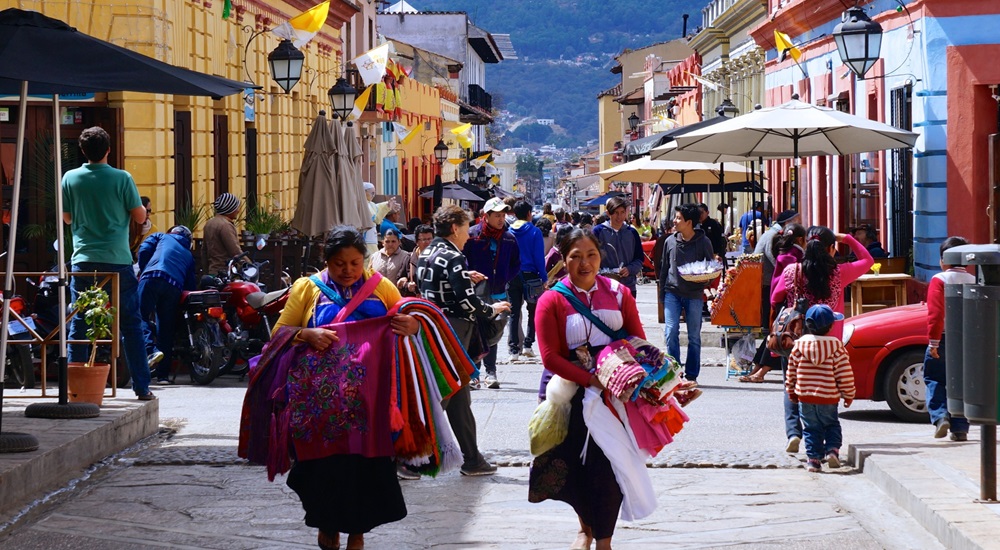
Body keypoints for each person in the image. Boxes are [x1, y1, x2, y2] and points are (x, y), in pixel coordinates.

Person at [273, 225, 419, 550]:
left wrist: (412, 325)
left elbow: (408, 321)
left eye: (355, 263)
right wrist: (305, 334)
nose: (348, 271)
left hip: (370, 406)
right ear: (327, 261)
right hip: (320, 410)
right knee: (323, 471)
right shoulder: (306, 289)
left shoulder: (382, 288)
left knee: (365, 472)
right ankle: (327, 527)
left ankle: (357, 534)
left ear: (364, 261)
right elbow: (279, 333)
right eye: (340, 264)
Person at [529, 228, 647, 550]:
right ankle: (585, 528)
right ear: (563, 260)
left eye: (591, 255)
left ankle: (605, 539)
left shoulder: (620, 293)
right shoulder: (551, 300)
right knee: (575, 467)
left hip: (613, 395)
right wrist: (592, 379)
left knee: (609, 466)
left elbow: (638, 341)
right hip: (569, 393)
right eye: (575, 257)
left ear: (601, 256)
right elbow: (551, 356)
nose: (585, 263)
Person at [417, 204, 510, 475]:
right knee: (443, 395)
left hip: (433, 330)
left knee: (458, 396)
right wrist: (493, 309)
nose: (469, 235)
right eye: (467, 228)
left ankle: (472, 459)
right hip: (454, 333)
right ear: (455, 228)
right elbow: (467, 302)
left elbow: (434, 287)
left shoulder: (428, 252)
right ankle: (409, 458)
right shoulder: (454, 256)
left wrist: (464, 277)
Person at [61, 126, 153, 400]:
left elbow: (66, 218)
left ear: (82, 150)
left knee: (79, 323)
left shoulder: (70, 178)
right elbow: (139, 217)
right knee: (131, 325)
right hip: (117, 260)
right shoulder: (122, 178)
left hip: (84, 260)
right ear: (109, 149)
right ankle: (142, 387)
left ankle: (74, 391)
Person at [771, 226, 872, 453]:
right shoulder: (839, 273)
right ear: (831, 249)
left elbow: (775, 297)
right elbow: (867, 259)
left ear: (806, 245)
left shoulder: (791, 271)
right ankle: (830, 444)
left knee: (792, 384)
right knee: (829, 388)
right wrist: (846, 237)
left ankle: (794, 433)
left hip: (795, 339)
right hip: (830, 343)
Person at [785, 304, 855, 472]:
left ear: (808, 325)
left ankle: (813, 461)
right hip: (828, 397)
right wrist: (848, 394)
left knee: (811, 429)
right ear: (831, 326)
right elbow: (844, 373)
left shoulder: (799, 346)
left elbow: (791, 371)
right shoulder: (836, 347)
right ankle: (832, 450)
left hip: (805, 397)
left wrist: (791, 391)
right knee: (831, 424)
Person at [464, 197, 520, 389]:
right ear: (486, 216)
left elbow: (515, 264)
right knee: (476, 331)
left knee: (494, 331)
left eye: (503, 215)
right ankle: (475, 373)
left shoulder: (509, 238)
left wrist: (505, 277)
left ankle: (491, 372)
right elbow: (464, 262)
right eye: (497, 215)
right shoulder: (472, 236)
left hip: (498, 292)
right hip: (476, 293)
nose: (501, 219)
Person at [741, 210, 801, 384]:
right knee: (781, 333)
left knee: (775, 331)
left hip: (774, 288)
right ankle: (760, 371)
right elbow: (778, 263)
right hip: (772, 288)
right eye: (796, 220)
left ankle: (757, 369)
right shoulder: (774, 239)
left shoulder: (774, 236)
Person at [658, 204, 715, 383]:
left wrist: (703, 283)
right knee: (670, 331)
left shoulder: (704, 242)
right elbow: (664, 268)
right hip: (672, 292)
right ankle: (675, 371)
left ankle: (691, 374)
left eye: (678, 218)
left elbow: (710, 267)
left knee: (694, 336)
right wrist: (661, 293)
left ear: (689, 222)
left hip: (694, 294)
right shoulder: (670, 241)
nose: (674, 221)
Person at [924, 236, 973, 441]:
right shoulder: (973, 280)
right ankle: (960, 428)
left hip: (943, 339)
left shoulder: (939, 280)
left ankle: (940, 415)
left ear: (943, 260)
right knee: (961, 382)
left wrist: (933, 343)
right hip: (968, 340)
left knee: (934, 378)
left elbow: (935, 314)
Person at [137, 225, 196, 385]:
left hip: (152, 276)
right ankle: (163, 376)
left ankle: (150, 350)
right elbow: (190, 284)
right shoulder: (189, 255)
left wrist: (144, 268)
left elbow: (143, 249)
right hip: (174, 286)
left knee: (138, 315)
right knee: (166, 328)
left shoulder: (160, 236)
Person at [508, 200, 546, 361]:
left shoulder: (509, 231)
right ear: (529, 214)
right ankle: (528, 346)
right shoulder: (535, 232)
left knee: (514, 313)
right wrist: (543, 277)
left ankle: (513, 349)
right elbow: (539, 257)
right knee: (533, 311)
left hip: (512, 275)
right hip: (531, 275)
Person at [592, 196, 644, 297]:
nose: (619, 216)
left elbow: (639, 259)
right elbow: (591, 257)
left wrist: (630, 269)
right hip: (604, 286)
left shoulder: (632, 233)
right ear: (608, 213)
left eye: (622, 212)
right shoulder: (598, 232)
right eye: (616, 213)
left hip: (628, 286)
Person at [204, 192, 243, 276]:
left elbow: (204, 250)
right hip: (225, 273)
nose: (238, 211)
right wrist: (249, 265)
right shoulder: (226, 226)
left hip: (212, 272)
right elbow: (235, 252)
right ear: (229, 209)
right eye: (236, 208)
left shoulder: (209, 223)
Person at [400, 224, 433, 296]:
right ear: (417, 242)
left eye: (430, 239)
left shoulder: (438, 258)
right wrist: (407, 285)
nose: (427, 242)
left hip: (434, 302)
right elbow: (399, 280)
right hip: (416, 302)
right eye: (424, 239)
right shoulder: (410, 258)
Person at [129, 196, 157, 260]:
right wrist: (135, 255)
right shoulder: (127, 227)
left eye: (149, 211)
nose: (148, 214)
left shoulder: (153, 229)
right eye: (145, 211)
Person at [363, 182, 379, 256]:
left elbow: (378, 216)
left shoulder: (372, 204)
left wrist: (387, 205)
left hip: (372, 237)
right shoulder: (362, 204)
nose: (373, 195)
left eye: (374, 193)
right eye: (372, 193)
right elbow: (373, 216)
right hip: (366, 238)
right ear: (365, 192)